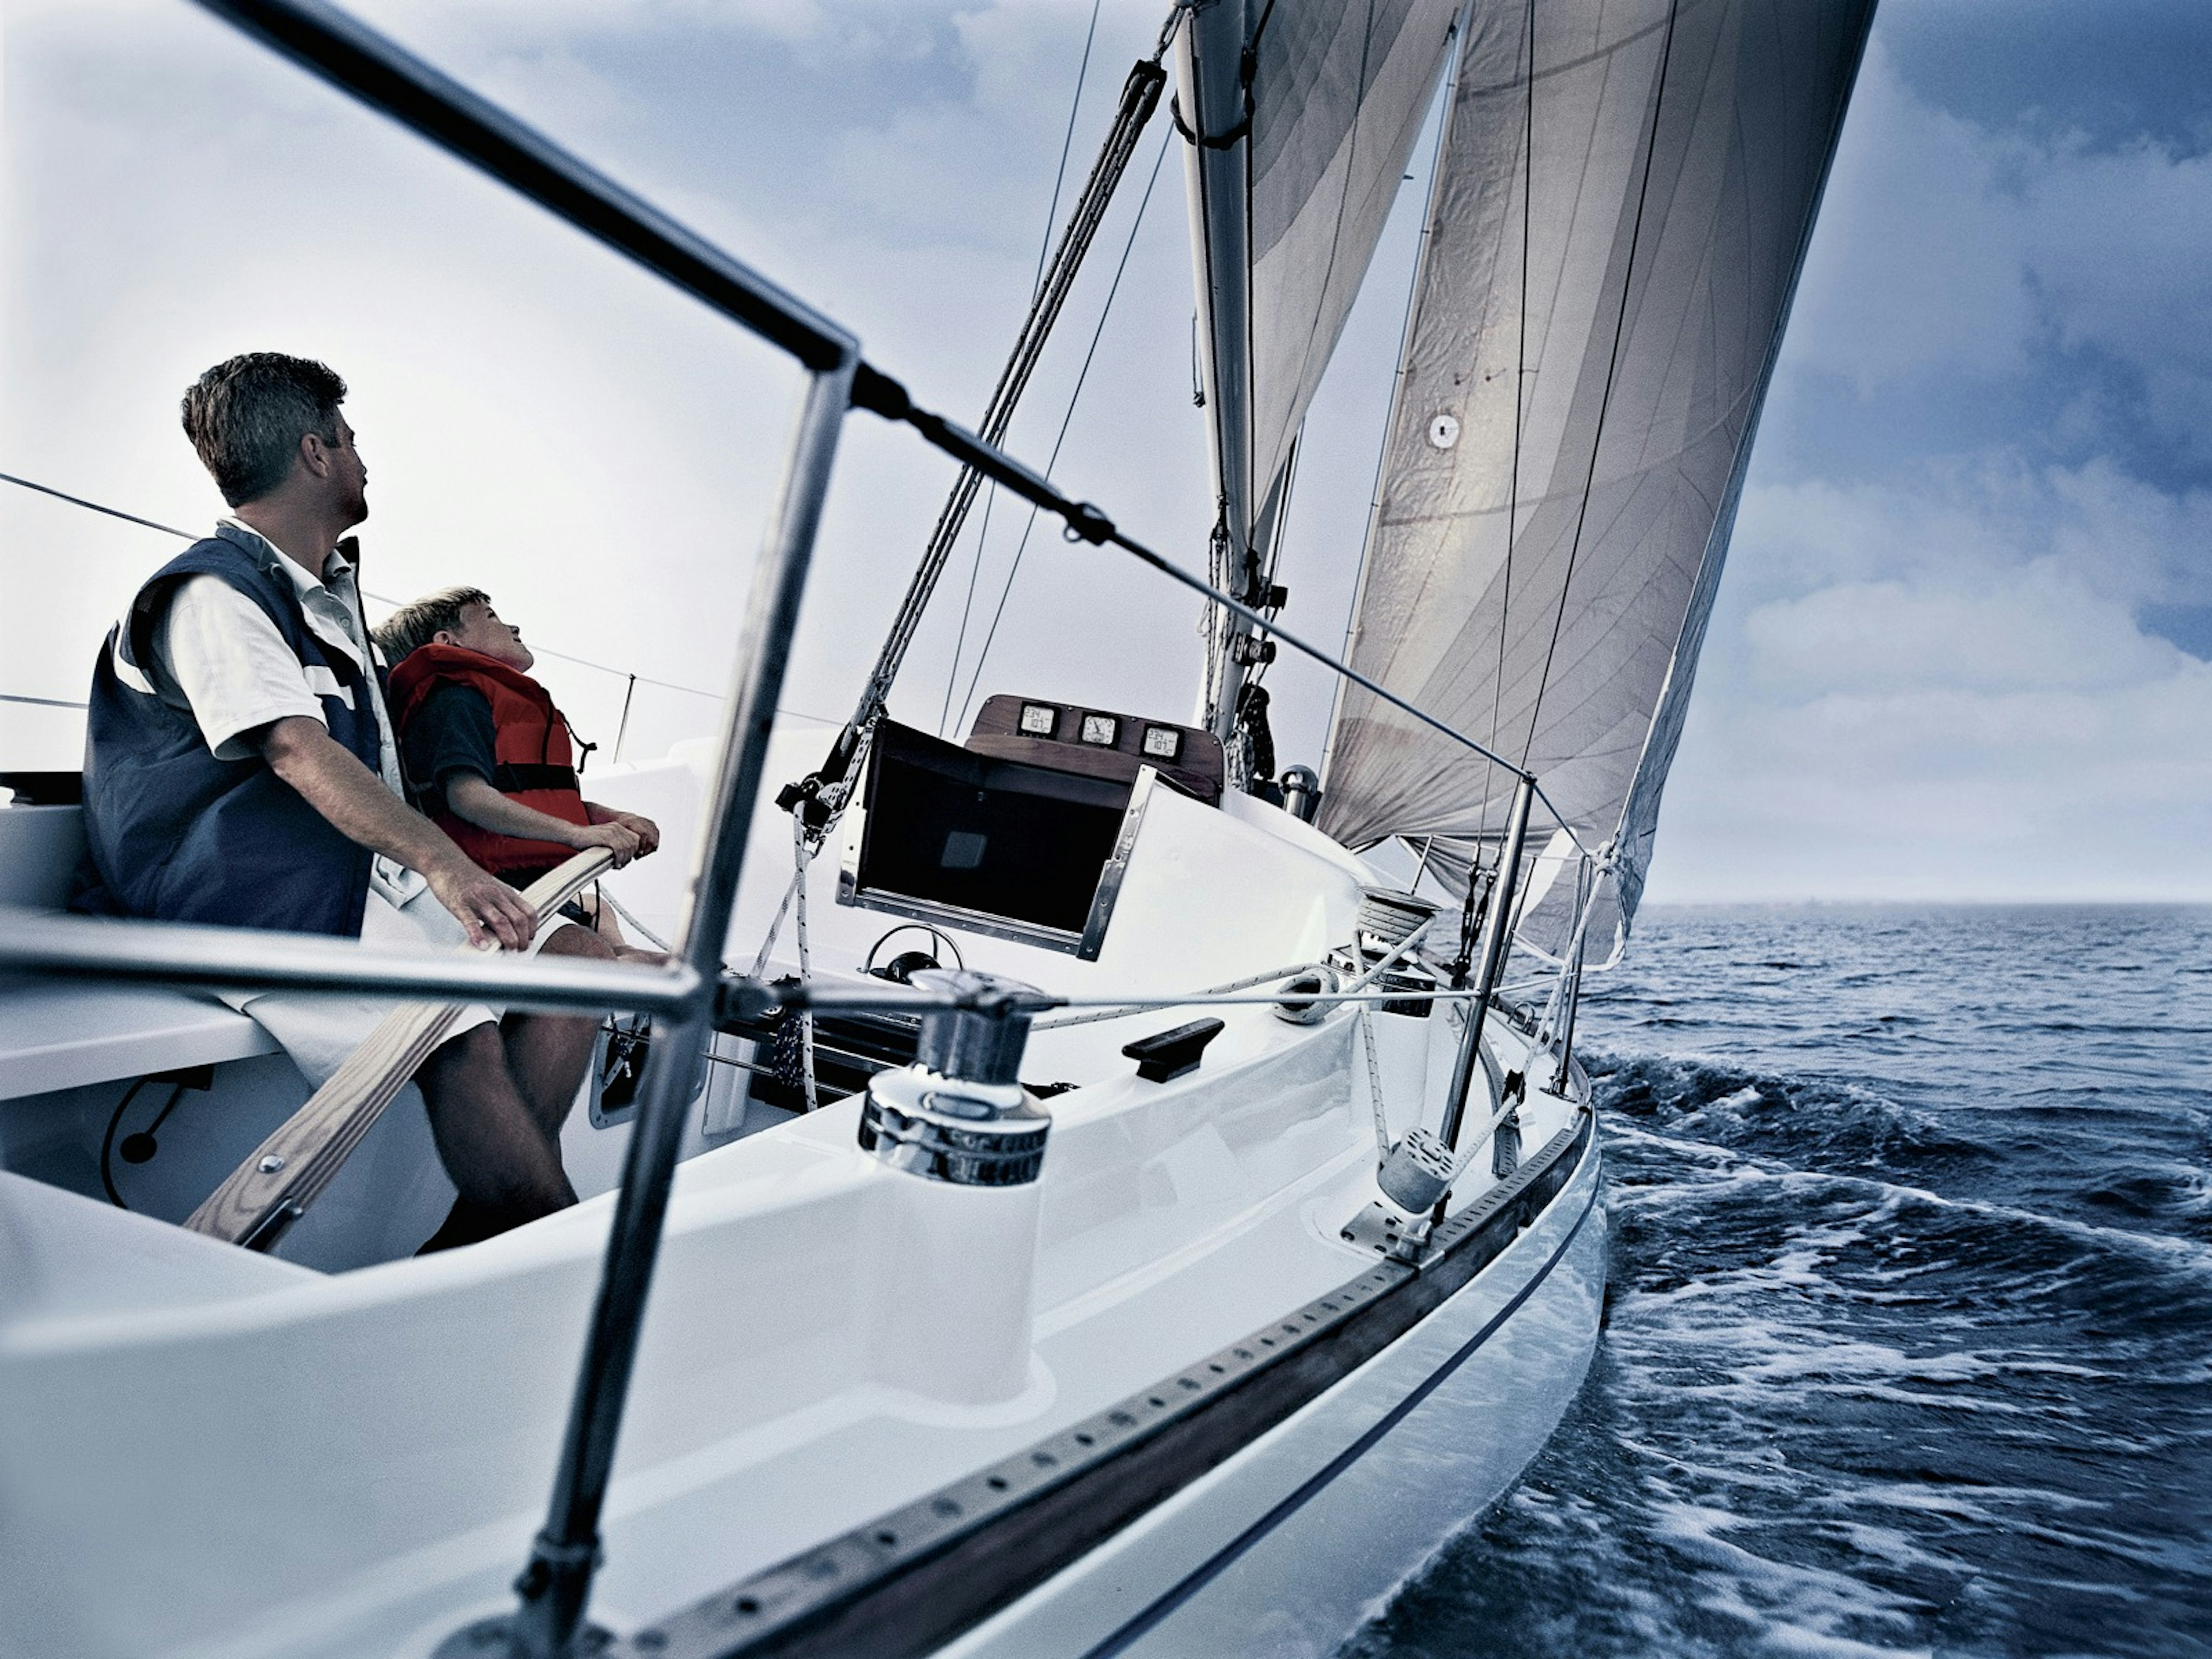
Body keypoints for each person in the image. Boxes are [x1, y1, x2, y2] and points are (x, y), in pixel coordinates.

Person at [73, 351, 615, 1252]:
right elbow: (295, 749)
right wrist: (446, 867)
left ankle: (477, 1232)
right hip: (234, 895)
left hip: (336, 877)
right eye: (353, 440)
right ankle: (551, 1249)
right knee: (456, 1027)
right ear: (316, 453)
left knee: (583, 959)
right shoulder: (213, 591)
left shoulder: (321, 601)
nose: (366, 459)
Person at [373, 588, 662, 961]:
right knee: (586, 954)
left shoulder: (493, 699)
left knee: (611, 927)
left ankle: (624, 959)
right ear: (448, 641)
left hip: (535, 887)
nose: (513, 626)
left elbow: (534, 798)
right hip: (487, 891)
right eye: (491, 618)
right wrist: (578, 834)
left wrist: (614, 820)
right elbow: (468, 797)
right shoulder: (454, 700)